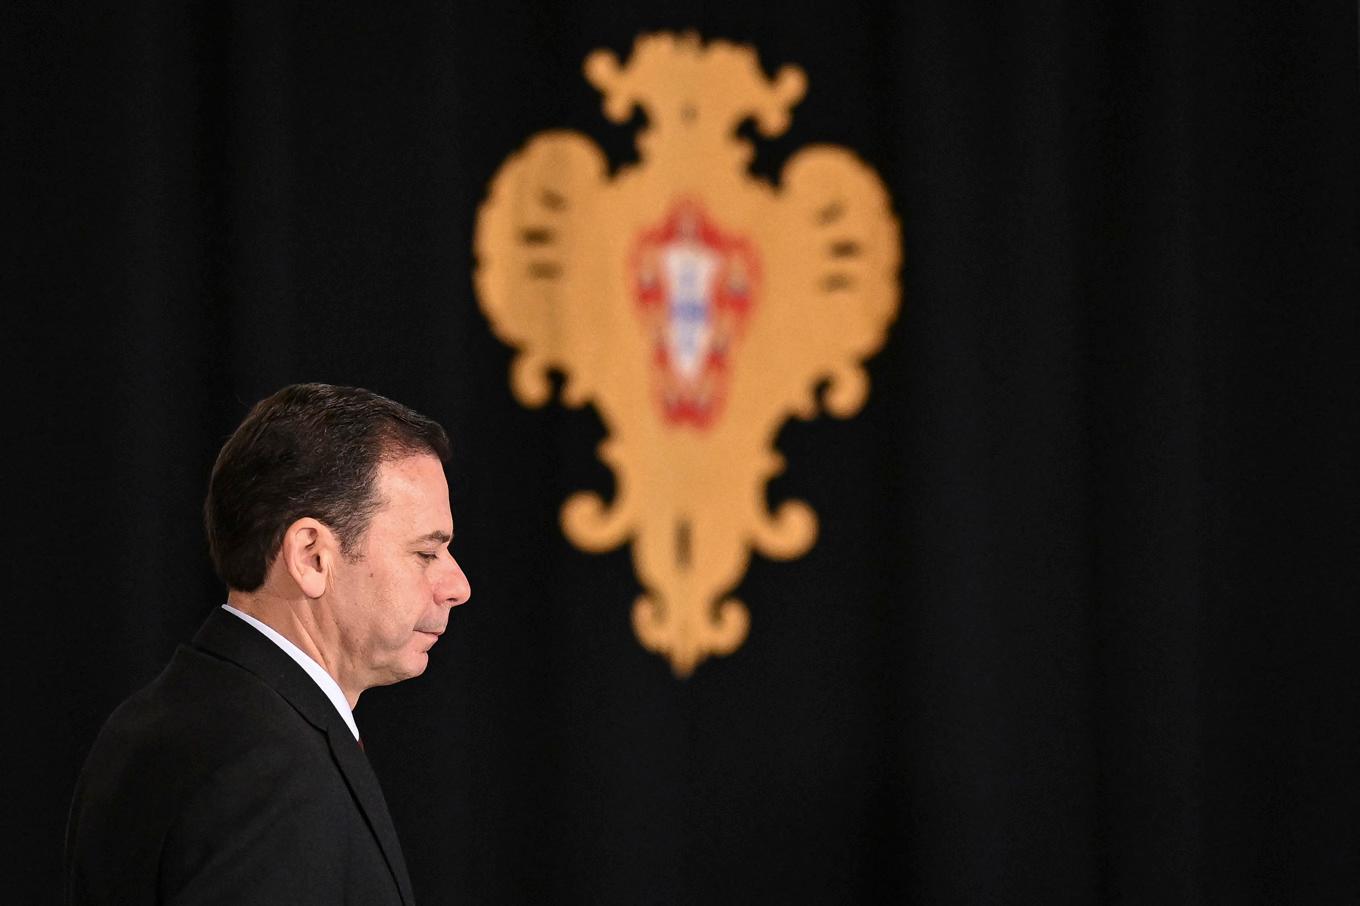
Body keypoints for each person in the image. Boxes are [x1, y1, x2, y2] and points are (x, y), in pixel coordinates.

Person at [64, 383, 471, 905]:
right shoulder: (270, 772)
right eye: (426, 553)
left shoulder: (157, 719)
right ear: (311, 556)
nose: (457, 586)